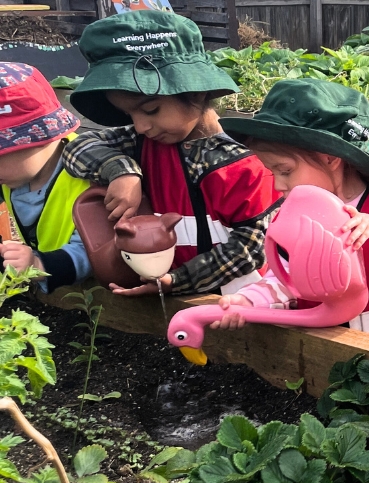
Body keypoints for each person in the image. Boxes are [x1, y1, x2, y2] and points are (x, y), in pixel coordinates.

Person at [210, 79, 369, 350]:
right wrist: (249, 301)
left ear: (329, 158)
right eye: (273, 173)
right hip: (330, 356)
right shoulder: (294, 220)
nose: (277, 185)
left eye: (285, 171)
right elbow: (283, 277)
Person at [61, 11, 279, 297]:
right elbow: (77, 148)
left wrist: (177, 280)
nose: (141, 125)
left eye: (151, 110)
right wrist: (122, 170)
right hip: (174, 304)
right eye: (129, 113)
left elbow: (252, 247)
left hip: (241, 309)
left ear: (197, 93)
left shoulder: (242, 166)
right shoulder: (141, 143)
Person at [0, 62, 91, 293]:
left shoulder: (89, 176)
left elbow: (92, 251)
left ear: (42, 136)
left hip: (83, 288)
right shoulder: (13, 173)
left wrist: (38, 265)